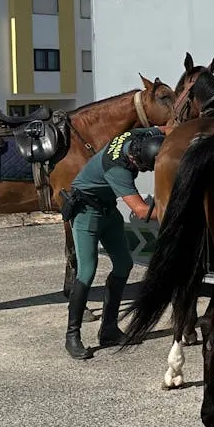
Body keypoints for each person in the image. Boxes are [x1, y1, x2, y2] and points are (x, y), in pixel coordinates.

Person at [60, 124, 170, 359]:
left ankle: (109, 329)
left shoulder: (138, 136)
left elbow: (165, 127)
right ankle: (72, 336)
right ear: (136, 159)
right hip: (86, 212)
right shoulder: (118, 169)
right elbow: (141, 211)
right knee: (87, 271)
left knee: (123, 264)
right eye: (146, 168)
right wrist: (178, 209)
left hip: (108, 210)